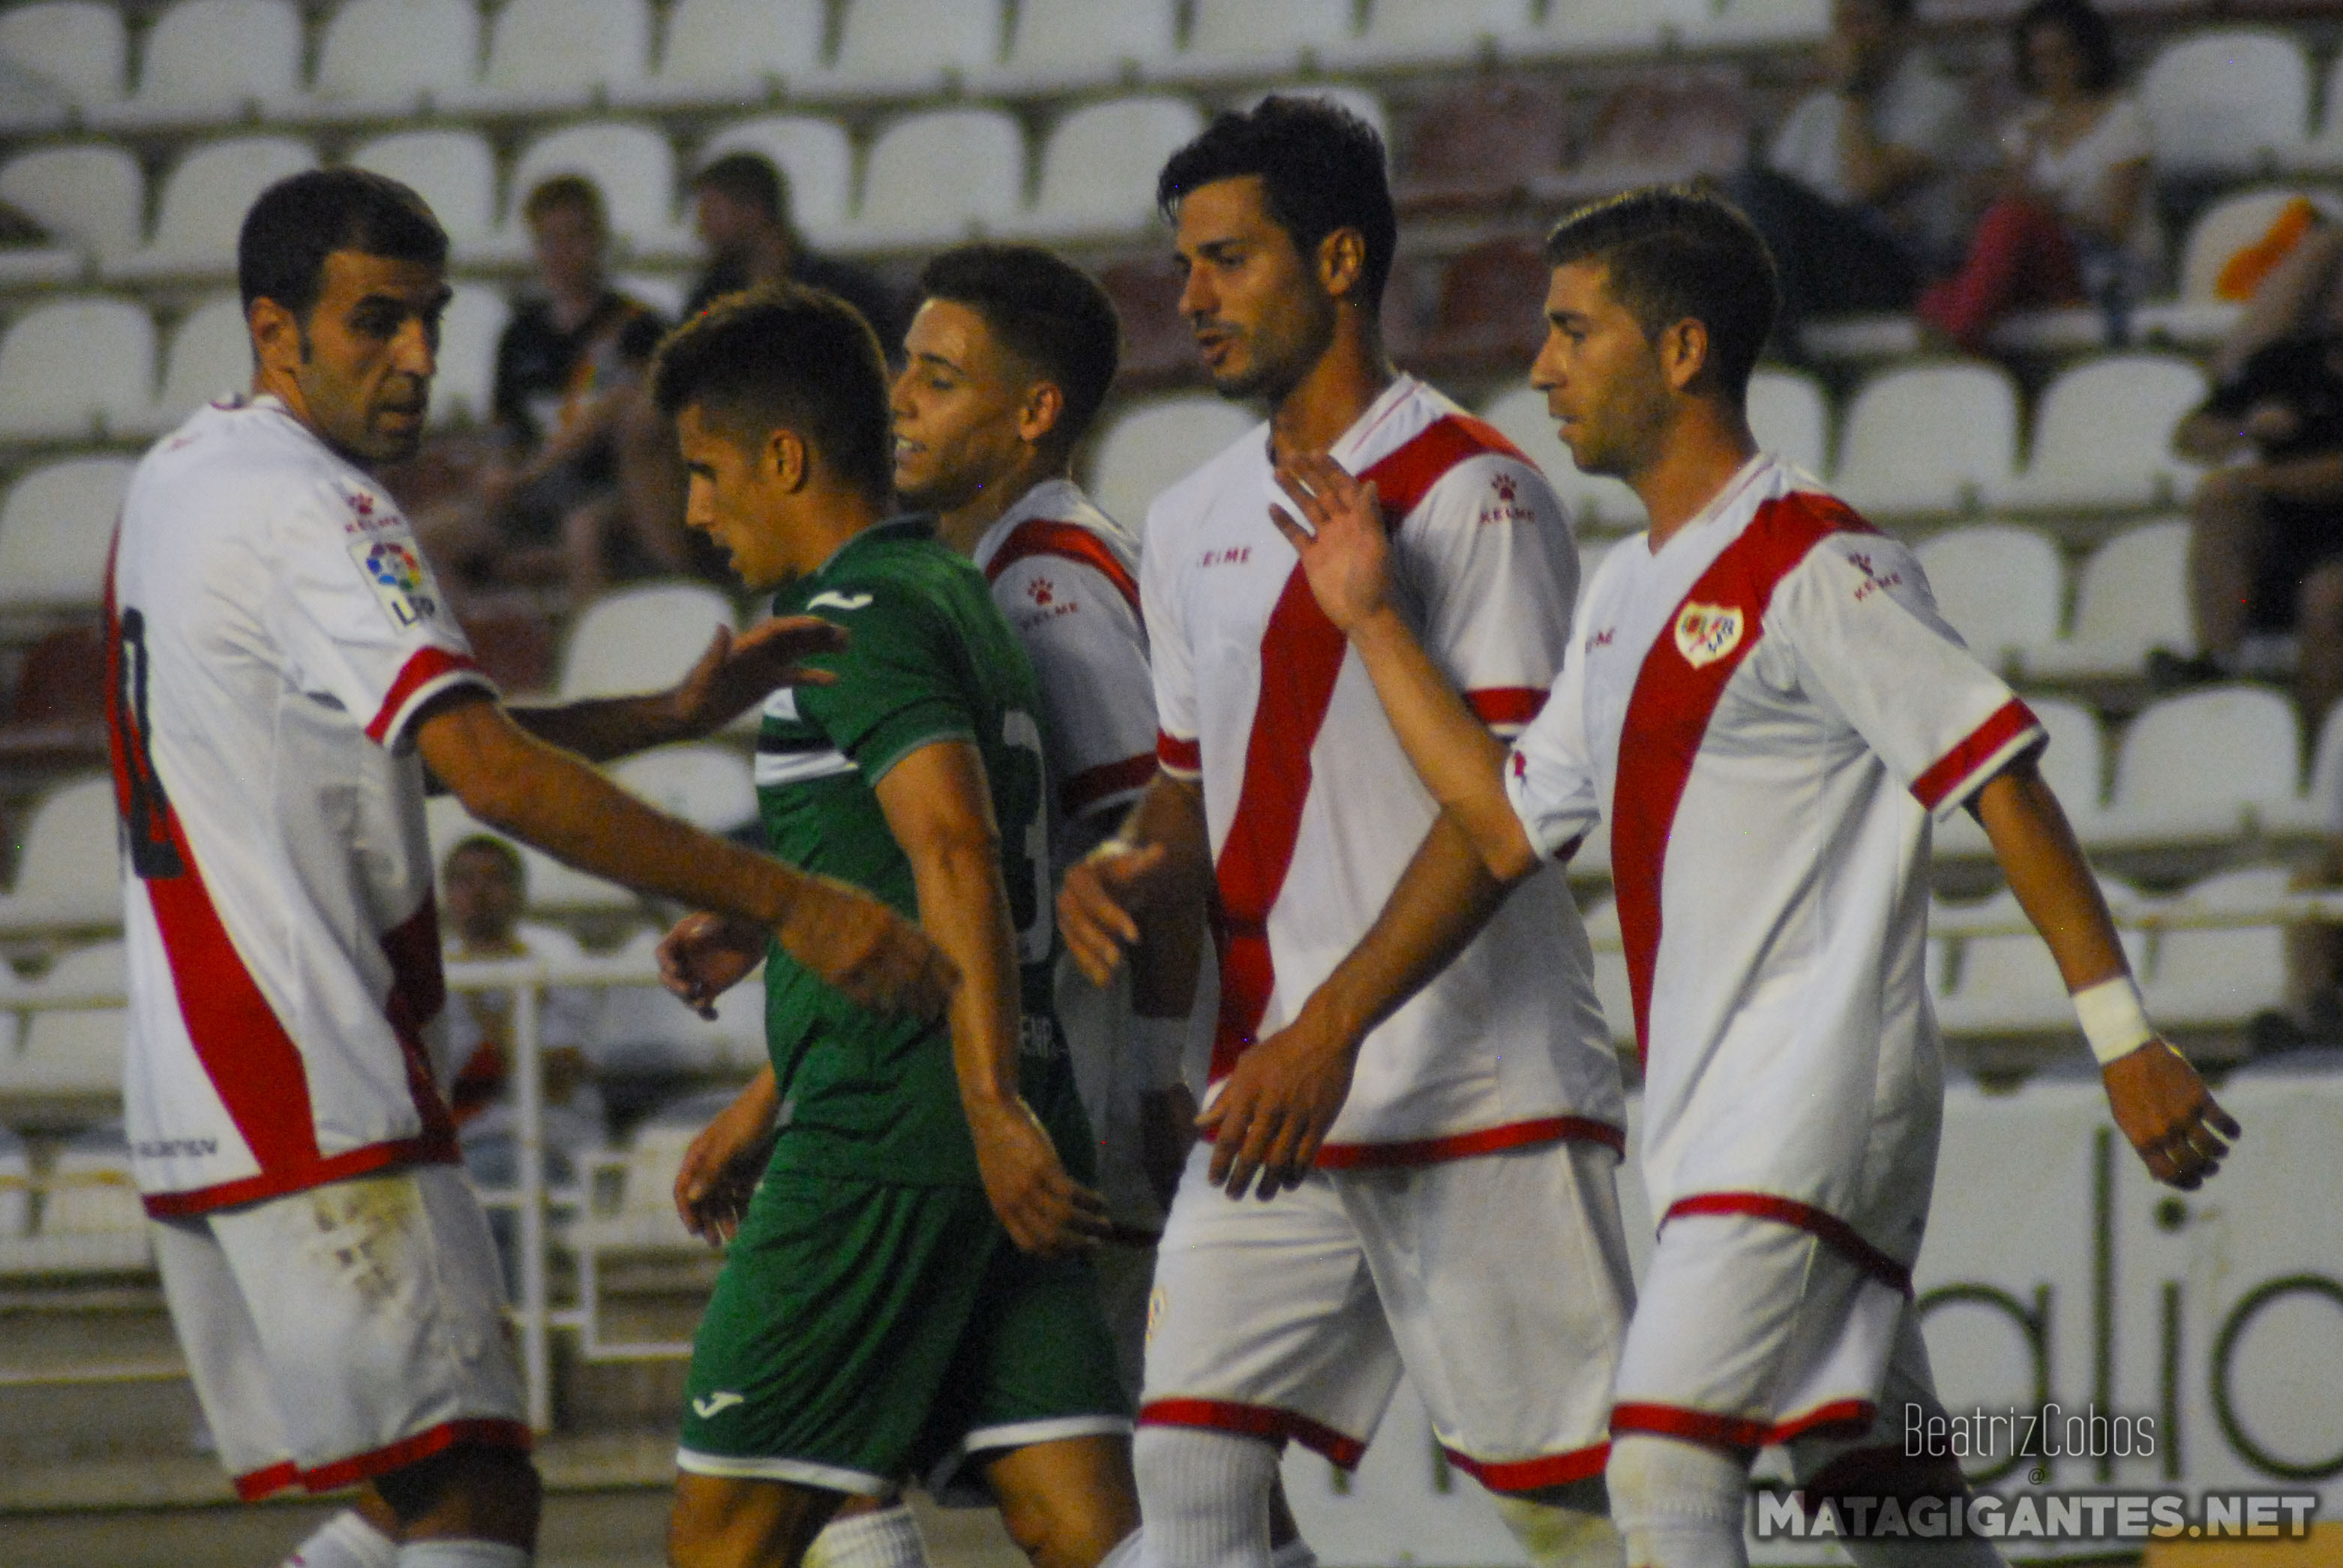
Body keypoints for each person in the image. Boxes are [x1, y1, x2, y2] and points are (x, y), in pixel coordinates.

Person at [1256, 184, 2240, 1568]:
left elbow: (1998, 778)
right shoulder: (1620, 594)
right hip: (1711, 1114)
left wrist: (2120, 1037)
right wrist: (1368, 621)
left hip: (1814, 1092)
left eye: (1570, 332)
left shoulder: (1814, 562)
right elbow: (1496, 829)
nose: (1540, 367)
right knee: (1877, 1484)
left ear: (1679, 350)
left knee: (1663, 1456)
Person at [112, 168, 951, 1568]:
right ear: (275, 329)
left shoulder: (176, 479)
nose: (419, 358)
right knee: (472, 1499)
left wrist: (666, 718)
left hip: (194, 1087)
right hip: (316, 1076)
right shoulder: (323, 510)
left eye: (432, 319)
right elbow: (489, 775)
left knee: (400, 1502)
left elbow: (412, 751)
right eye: (376, 321)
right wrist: (792, 900)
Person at [1054, 98, 1634, 1568]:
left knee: (1565, 1510)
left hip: (1469, 1079)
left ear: (1333, 261)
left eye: (1225, 260)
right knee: (1187, 1487)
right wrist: (1127, 871)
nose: (1189, 298)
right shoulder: (1183, 517)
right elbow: (1189, 787)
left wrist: (1326, 1031)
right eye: (1181, 264)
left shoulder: (1475, 493)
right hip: (1274, 1104)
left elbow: (1510, 816)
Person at [644, 284, 1141, 1568]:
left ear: (785, 459)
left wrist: (982, 1111)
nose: (696, 511)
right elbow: (910, 859)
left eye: (705, 473)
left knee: (725, 1536)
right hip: (991, 1118)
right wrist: (770, 1018)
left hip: (894, 1136)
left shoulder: (856, 621)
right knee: (1085, 1529)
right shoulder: (949, 591)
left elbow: (954, 847)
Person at [415, 175, 678, 601]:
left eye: (574, 238)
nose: (562, 254)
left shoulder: (639, 327)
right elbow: (506, 429)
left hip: (608, 491)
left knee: (583, 531)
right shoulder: (519, 334)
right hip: (533, 492)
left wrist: (529, 472)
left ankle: (584, 653)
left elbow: (622, 419)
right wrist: (498, 470)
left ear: (598, 241)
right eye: (549, 241)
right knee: (418, 540)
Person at [1918, 0, 2155, 354]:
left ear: (2087, 54)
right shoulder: (2026, 126)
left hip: (2102, 270)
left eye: (2061, 56)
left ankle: (1956, 346)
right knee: (1940, 289)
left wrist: (2048, 208)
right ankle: (1955, 352)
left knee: (2012, 223)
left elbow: (2116, 227)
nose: (2050, 69)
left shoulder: (2124, 121)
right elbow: (2011, 204)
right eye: (2039, 59)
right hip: (2038, 266)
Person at [1729, 0, 1968, 343]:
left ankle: (1775, 345)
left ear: (1901, 29)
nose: (1851, 38)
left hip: (1901, 271)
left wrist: (1853, 92)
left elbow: (1866, 186)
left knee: (1756, 190)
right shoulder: (1815, 113)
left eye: (1864, 22)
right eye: (1843, 24)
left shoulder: (1936, 100)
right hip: (1822, 272)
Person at [683, 151, 904, 346]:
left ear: (753, 211)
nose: (702, 229)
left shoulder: (846, 291)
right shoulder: (708, 301)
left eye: (712, 213)